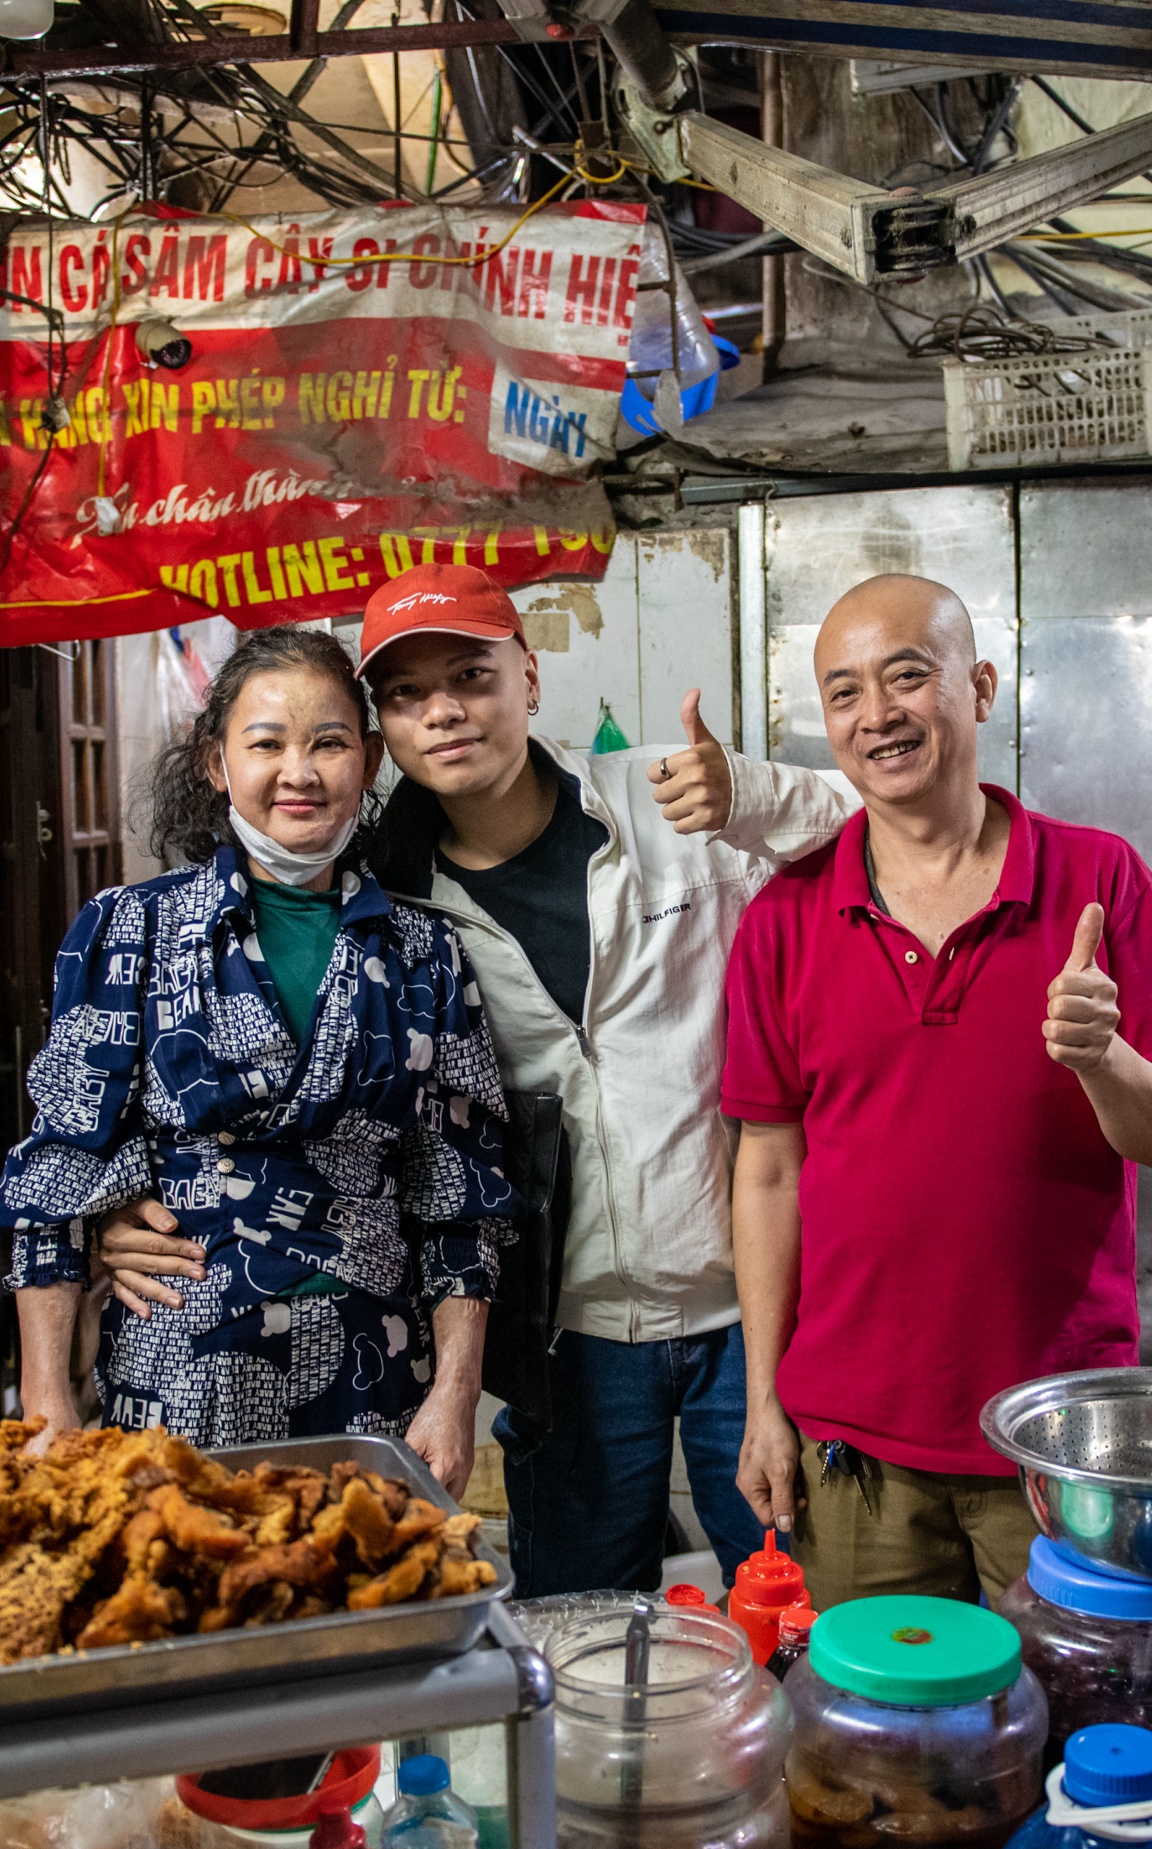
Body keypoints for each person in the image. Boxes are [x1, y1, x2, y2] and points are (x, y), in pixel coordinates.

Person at [98, 563, 855, 1596]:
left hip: (756, 1303)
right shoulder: (390, 901)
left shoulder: (673, 800)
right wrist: (118, 1204)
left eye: (472, 674)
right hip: (568, 1329)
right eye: (407, 694)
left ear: (528, 679)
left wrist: (755, 796)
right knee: (581, 1636)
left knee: (807, 1610)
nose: (445, 710)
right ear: (384, 737)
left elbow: (888, 822)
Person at [0, 625, 514, 1492]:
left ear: (370, 762)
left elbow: (460, 1196)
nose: (299, 773)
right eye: (267, 742)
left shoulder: (425, 950)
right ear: (216, 762)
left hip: (373, 1379)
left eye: (329, 743)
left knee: (365, 1612)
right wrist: (48, 1396)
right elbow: (58, 1173)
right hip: (179, 1376)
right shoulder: (133, 930)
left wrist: (456, 1395)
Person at [723, 571, 1152, 1610]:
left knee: (1080, 1724)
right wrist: (763, 1401)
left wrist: (1102, 1055)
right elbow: (769, 1173)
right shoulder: (784, 916)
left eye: (908, 675)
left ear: (982, 686)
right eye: (844, 692)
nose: (877, 714)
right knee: (883, 1751)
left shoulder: (1104, 879)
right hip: (857, 1447)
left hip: (1058, 1431)